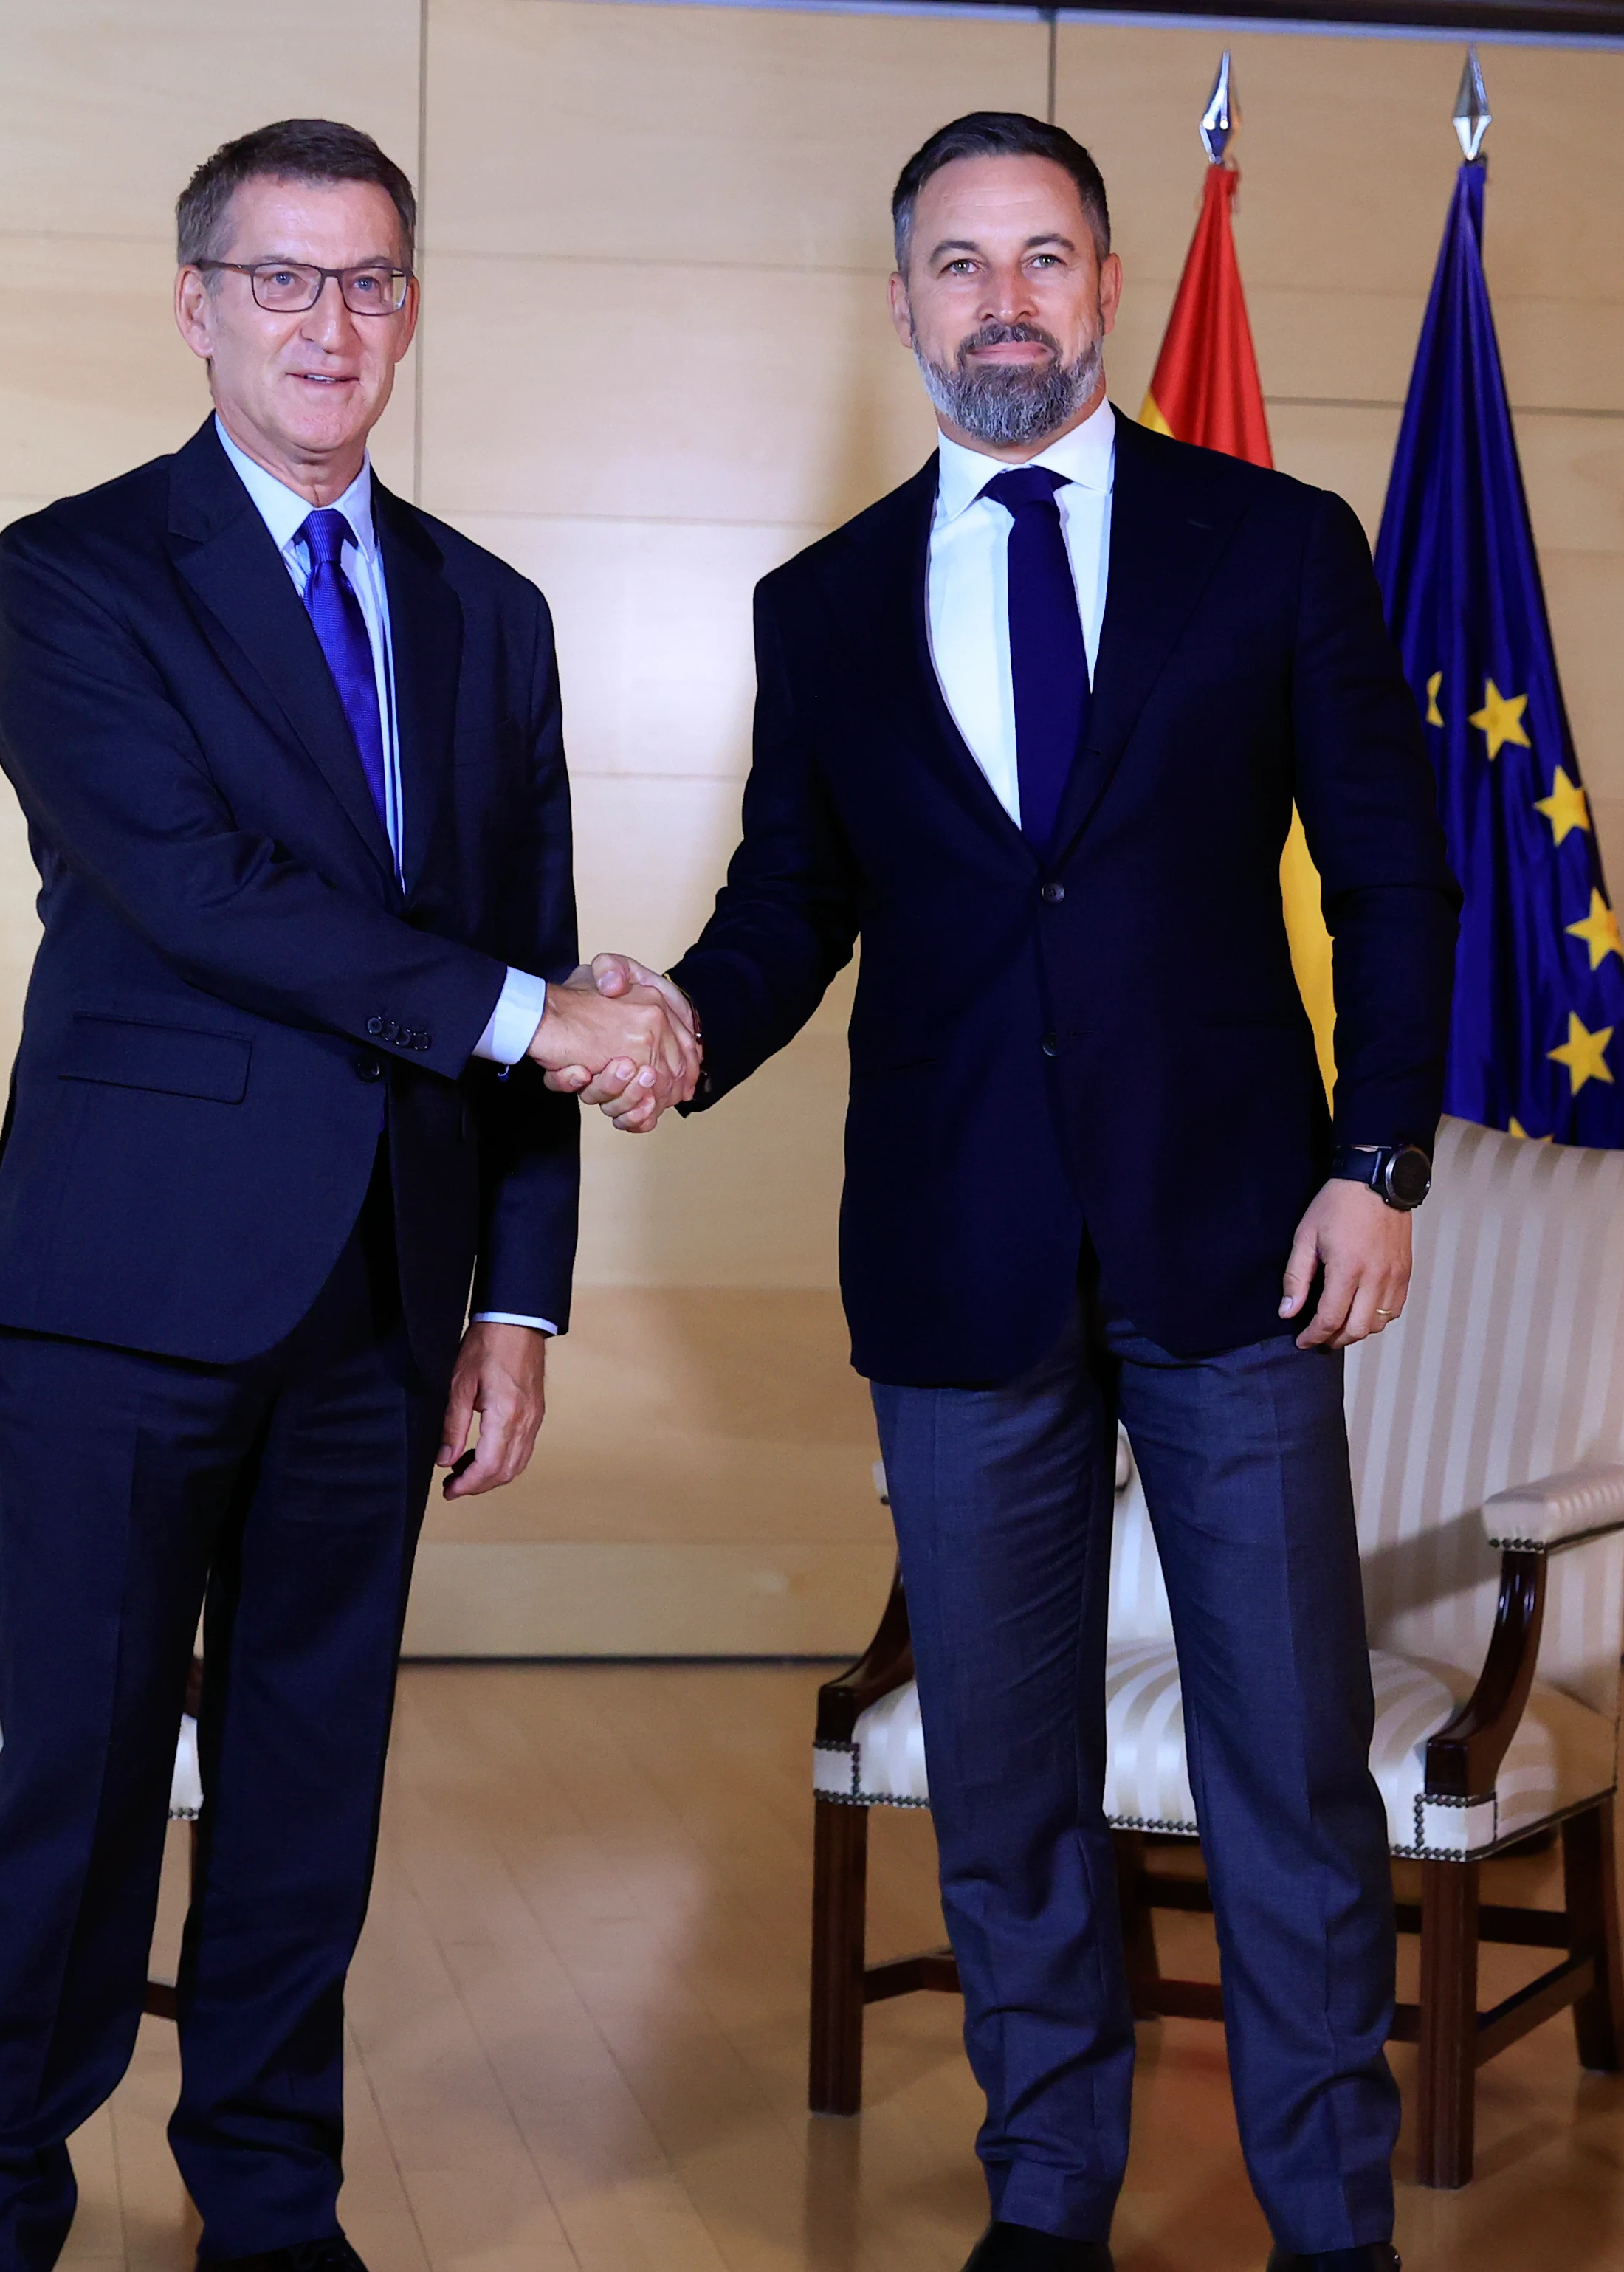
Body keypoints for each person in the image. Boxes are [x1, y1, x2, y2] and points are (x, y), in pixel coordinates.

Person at [571, 110, 1454, 2272]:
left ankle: (1328, 2219)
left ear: (1109, 284)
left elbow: (1396, 879)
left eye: (1043, 257)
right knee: (1001, 1779)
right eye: (959, 264)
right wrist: (676, 1019)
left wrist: (1378, 1159)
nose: (1004, 300)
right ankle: (1048, 2199)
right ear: (903, 304)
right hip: (958, 1262)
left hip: (1243, 1244)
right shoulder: (829, 600)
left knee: (1293, 1767)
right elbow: (794, 904)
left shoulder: (1274, 545)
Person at [0, 119, 692, 2272]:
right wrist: (553, 1015)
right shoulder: (72, 574)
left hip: (382, 1291)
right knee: (75, 1781)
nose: (327, 324)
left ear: (410, 310)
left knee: (306, 1782)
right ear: (195, 303)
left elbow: (525, 932)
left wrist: (516, 1300)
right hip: (131, 1284)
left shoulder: (489, 611)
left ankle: (268, 2199)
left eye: (367, 283)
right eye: (282, 280)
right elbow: (202, 895)